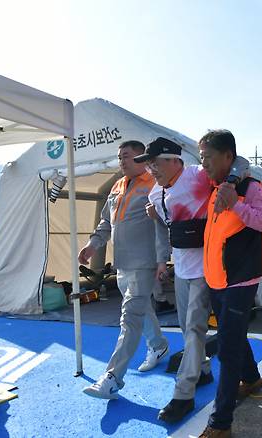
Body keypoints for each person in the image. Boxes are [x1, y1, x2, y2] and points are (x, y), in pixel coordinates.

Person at [197, 130, 262, 438]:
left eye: (207, 157)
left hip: (240, 280)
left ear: (227, 157)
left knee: (227, 350)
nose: (202, 163)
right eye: (201, 157)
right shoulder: (217, 186)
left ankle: (220, 424)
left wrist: (236, 206)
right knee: (233, 334)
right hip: (217, 278)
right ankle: (252, 379)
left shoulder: (250, 186)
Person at [80, 140, 170, 399]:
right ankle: (158, 345)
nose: (121, 161)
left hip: (144, 262)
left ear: (141, 158)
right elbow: (106, 223)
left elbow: (163, 225)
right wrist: (92, 246)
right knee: (142, 310)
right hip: (122, 263)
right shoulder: (117, 187)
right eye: (119, 157)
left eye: (127, 156)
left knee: (129, 318)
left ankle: (112, 378)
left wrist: (162, 259)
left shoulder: (154, 184)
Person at [138, 137, 216, 423]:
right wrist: (162, 262)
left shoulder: (199, 174)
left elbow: (237, 166)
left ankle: (183, 394)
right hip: (182, 269)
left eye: (154, 163)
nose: (150, 169)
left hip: (208, 267)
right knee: (187, 327)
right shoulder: (155, 195)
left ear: (173, 159)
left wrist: (232, 180)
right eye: (147, 164)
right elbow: (164, 229)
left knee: (194, 328)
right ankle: (204, 369)